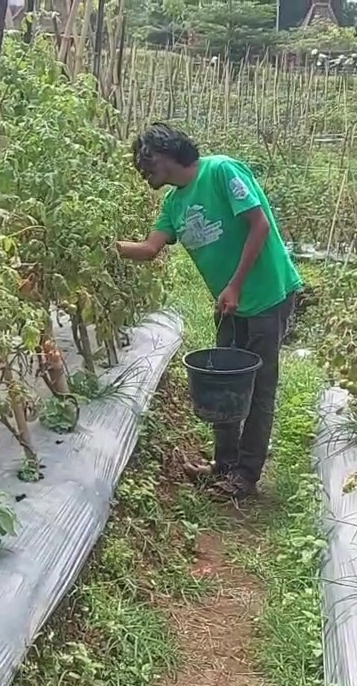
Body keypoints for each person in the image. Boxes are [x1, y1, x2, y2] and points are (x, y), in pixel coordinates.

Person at [117, 123, 303, 501]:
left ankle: (246, 476)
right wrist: (105, 245)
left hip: (267, 294)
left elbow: (259, 225)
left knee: (258, 386)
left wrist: (234, 284)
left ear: (168, 154)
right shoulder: (173, 204)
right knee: (222, 381)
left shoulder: (221, 171)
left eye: (146, 159)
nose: (141, 169)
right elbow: (150, 249)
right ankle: (223, 466)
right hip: (231, 304)